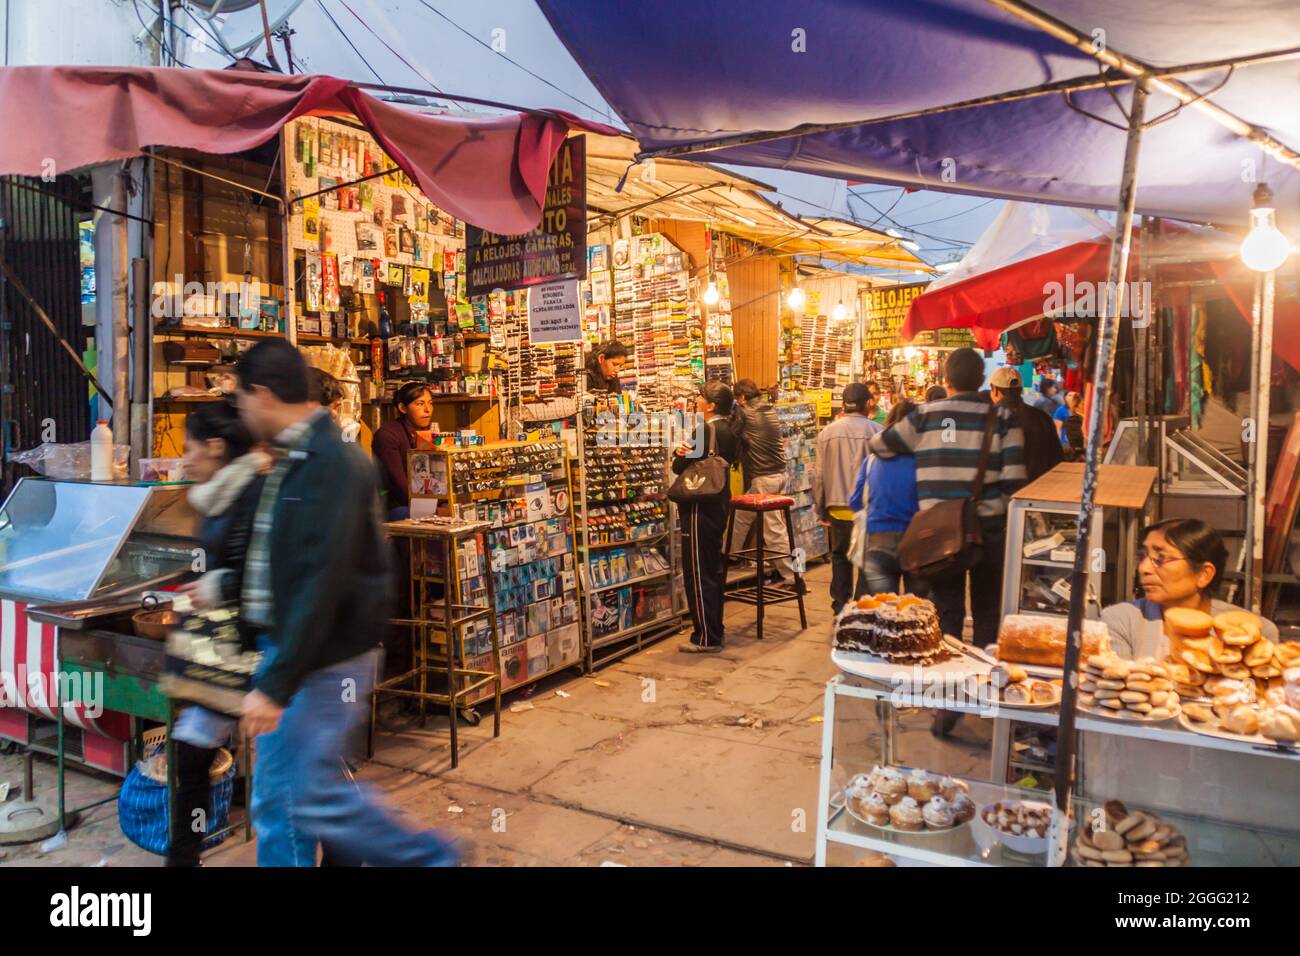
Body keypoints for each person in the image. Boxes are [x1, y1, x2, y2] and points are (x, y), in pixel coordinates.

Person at [233, 339, 456, 866]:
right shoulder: (295, 458)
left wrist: (278, 681)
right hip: (302, 652)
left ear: (263, 394)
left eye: (241, 399)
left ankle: (426, 857)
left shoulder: (330, 464)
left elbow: (322, 580)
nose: (240, 412)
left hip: (323, 658)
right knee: (297, 797)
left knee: (300, 801)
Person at [867, 347, 1026, 645]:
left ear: (946, 378)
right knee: (988, 612)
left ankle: (949, 678)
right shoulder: (1004, 418)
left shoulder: (923, 417)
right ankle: (983, 679)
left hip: (938, 531)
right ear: (981, 379)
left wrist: (928, 454)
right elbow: (1015, 483)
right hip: (988, 530)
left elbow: (878, 444)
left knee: (946, 610)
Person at [168, 399, 267, 867]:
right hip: (223, 653)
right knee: (189, 755)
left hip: (256, 650)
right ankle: (184, 855)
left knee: (296, 779)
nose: (184, 458)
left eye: (188, 447)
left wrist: (217, 584)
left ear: (214, 446)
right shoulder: (216, 494)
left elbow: (262, 575)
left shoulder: (255, 492)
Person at [1102, 518, 1278, 659]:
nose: (1143, 568)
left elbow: (1258, 696)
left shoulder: (1252, 632)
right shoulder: (1121, 621)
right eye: (1142, 556)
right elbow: (1117, 691)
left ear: (1204, 574)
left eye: (1160, 557)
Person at [673, 381, 740, 653]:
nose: (696, 401)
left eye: (700, 397)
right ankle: (714, 629)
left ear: (711, 405)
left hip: (700, 505)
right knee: (711, 568)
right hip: (719, 501)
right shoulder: (730, 430)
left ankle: (706, 637)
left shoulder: (704, 430)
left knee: (698, 571)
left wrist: (679, 452)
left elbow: (679, 465)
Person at [813, 383, 882, 615]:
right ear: (867, 404)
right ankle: (862, 608)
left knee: (840, 556)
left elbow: (819, 474)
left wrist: (820, 506)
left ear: (844, 404)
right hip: (867, 509)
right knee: (864, 560)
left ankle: (840, 605)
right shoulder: (877, 432)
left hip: (837, 507)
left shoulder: (827, 433)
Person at [848, 399, 924, 598]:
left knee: (882, 614)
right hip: (916, 543)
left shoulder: (872, 459)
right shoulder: (925, 461)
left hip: (878, 540)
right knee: (916, 613)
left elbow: (855, 501)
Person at [729, 378, 794, 581]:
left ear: (741, 397)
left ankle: (794, 577)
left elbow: (730, 433)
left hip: (764, 477)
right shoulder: (769, 409)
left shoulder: (744, 412)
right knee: (740, 516)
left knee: (774, 531)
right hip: (779, 474)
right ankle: (728, 556)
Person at [371, 381, 435, 521]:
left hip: (423, 501)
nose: (427, 409)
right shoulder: (387, 435)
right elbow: (398, 483)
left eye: (430, 403)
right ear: (402, 408)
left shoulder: (427, 433)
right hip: (395, 506)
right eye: (419, 404)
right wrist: (432, 508)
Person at [990, 366, 1062, 482]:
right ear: (1020, 390)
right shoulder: (1042, 418)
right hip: (1035, 492)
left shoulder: (987, 418)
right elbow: (1056, 459)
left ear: (995, 390)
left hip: (1000, 495)